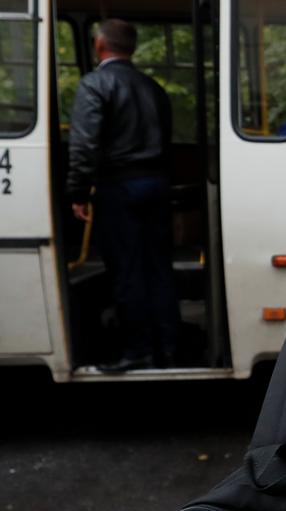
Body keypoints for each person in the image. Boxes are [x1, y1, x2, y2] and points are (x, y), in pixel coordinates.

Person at [67, 18, 178, 373]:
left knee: (128, 270)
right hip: (157, 185)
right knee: (159, 268)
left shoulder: (95, 84)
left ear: (100, 46)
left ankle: (137, 350)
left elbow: (84, 145)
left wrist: (78, 192)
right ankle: (168, 347)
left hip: (119, 187)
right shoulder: (153, 87)